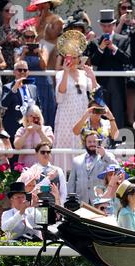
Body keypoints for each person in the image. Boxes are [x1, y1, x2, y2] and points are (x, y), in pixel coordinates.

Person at [54, 42, 98, 170]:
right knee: (65, 145)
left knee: (81, 143)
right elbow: (59, 95)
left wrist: (93, 77)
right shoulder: (60, 74)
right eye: (69, 57)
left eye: (74, 57)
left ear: (79, 59)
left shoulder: (84, 74)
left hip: (82, 113)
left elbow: (96, 93)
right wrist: (66, 72)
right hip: (66, 115)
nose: (72, 60)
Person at [87, 9, 132, 129]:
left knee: (118, 110)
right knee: (102, 110)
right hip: (102, 82)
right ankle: (103, 137)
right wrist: (101, 48)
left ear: (114, 25)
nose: (107, 28)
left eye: (109, 25)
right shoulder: (96, 42)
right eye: (104, 26)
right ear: (101, 26)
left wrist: (113, 47)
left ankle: (119, 138)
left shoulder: (123, 39)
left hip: (117, 81)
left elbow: (127, 59)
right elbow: (94, 61)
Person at [15, 25, 56, 129]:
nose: (29, 39)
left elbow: (44, 66)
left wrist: (40, 54)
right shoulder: (18, 50)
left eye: (32, 37)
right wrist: (23, 54)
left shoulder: (43, 48)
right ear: (22, 37)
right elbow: (17, 66)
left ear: (36, 37)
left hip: (43, 83)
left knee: (45, 109)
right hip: (26, 83)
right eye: (26, 37)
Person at [67, 130, 118, 205]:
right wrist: (71, 201)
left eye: (94, 141)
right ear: (85, 143)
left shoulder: (106, 156)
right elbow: (71, 184)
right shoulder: (77, 160)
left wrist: (104, 155)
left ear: (98, 143)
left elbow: (116, 168)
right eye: (89, 142)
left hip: (100, 202)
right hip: (81, 203)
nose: (92, 144)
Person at [115, 0, 135, 125]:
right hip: (119, 61)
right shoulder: (117, 22)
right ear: (119, 9)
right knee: (118, 90)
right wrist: (122, 22)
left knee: (131, 91)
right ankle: (119, 119)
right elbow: (113, 36)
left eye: (129, 8)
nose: (126, 10)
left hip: (133, 62)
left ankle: (130, 119)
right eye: (124, 8)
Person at [1, 60, 40, 144]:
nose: (22, 72)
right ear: (14, 72)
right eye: (19, 70)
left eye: (25, 70)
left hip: (30, 127)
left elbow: (38, 107)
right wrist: (14, 88)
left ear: (28, 72)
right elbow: (4, 104)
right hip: (14, 128)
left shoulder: (33, 88)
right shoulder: (8, 87)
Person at [26, 0, 64, 70]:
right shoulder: (36, 20)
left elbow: (53, 35)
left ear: (49, 5)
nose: (40, 6)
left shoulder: (57, 19)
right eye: (38, 4)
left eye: (43, 4)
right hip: (37, 52)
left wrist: (45, 23)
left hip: (51, 53)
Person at [14, 103, 54, 168]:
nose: (34, 119)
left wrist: (40, 131)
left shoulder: (47, 129)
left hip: (42, 165)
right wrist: (27, 133)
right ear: (26, 118)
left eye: (36, 116)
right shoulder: (22, 130)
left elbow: (49, 145)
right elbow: (17, 146)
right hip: (25, 167)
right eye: (31, 116)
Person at [0, 0, 21, 83]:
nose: (11, 12)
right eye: (7, 10)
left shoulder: (18, 27)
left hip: (14, 63)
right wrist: (5, 40)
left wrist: (16, 42)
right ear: (1, 12)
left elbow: (23, 44)